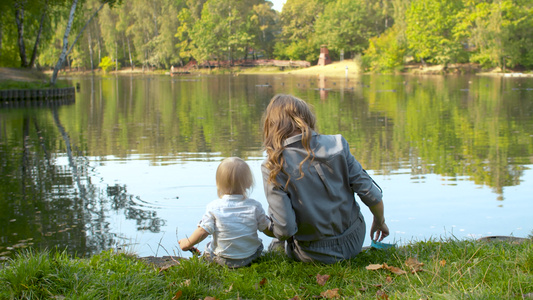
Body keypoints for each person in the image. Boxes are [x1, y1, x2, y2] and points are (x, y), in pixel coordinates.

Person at [261, 94, 389, 264]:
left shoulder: (274, 164)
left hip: (311, 253)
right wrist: (380, 222)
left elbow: (285, 229)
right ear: (306, 118)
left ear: (273, 126)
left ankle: (275, 248)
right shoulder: (338, 144)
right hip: (354, 241)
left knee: (277, 227)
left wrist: (262, 225)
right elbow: (371, 194)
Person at [179, 157, 274, 268]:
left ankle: (201, 256)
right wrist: (283, 234)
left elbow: (202, 231)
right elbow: (267, 229)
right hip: (251, 258)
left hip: (221, 260)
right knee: (258, 244)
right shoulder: (255, 206)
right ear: (249, 183)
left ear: (218, 183)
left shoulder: (214, 207)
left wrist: (187, 243)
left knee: (209, 246)